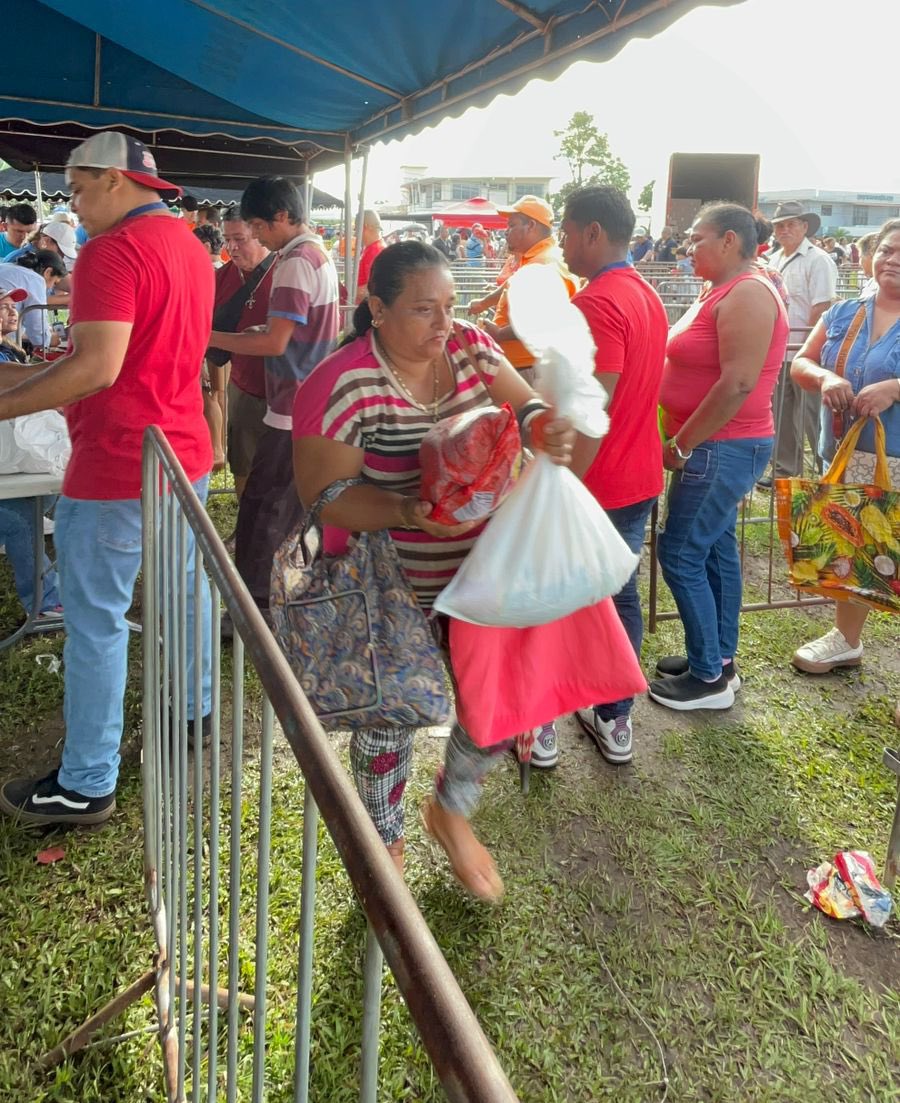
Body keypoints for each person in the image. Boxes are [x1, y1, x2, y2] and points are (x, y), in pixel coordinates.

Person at [290, 240, 584, 899]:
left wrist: (543, 423)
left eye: (450, 306)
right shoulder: (341, 384)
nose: (444, 324)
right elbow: (324, 497)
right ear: (378, 308)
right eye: (424, 310)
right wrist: (403, 507)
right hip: (389, 584)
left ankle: (450, 811)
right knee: (388, 722)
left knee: (500, 700)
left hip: (484, 573)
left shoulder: (470, 345)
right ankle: (385, 838)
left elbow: (523, 403)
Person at [0, 131, 214, 826]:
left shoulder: (110, 252)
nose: (74, 203)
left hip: (117, 462)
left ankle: (87, 778)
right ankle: (196, 708)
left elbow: (97, 367)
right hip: (183, 452)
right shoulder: (187, 245)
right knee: (184, 593)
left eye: (79, 188)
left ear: (115, 180)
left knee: (95, 621)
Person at [649, 203, 789, 711]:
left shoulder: (748, 292)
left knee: (682, 553)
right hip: (718, 444)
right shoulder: (724, 289)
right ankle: (717, 659)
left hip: (721, 444)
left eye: (696, 238)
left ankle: (708, 676)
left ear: (730, 240)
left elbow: (738, 384)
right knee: (713, 549)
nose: (689, 248)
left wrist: (684, 442)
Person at [559, 185, 668, 762]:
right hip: (637, 476)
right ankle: (615, 717)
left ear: (593, 233)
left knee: (564, 600)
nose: (563, 242)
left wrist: (562, 486)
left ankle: (544, 725)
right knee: (618, 596)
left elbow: (590, 408)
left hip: (598, 483)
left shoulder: (597, 303)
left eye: (567, 230)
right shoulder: (645, 294)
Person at [209, 176, 339, 615]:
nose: (257, 237)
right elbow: (286, 332)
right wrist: (258, 332)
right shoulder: (315, 254)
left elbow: (276, 343)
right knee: (280, 508)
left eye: (260, 227)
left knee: (263, 511)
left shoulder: (296, 261)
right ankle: (280, 594)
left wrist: (209, 336)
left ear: (282, 217)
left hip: (291, 405)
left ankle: (256, 608)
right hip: (304, 399)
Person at [788, 218, 900, 674]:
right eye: (887, 250)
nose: (892, 261)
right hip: (846, 450)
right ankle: (846, 639)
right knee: (854, 544)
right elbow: (802, 362)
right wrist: (826, 377)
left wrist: (896, 386)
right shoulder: (844, 313)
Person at [0, 282, 63, 620]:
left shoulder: (10, 349)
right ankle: (45, 605)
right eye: (3, 306)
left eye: (13, 306)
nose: (12, 311)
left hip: (11, 468)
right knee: (20, 518)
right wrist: (76, 369)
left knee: (49, 497)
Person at [764, 200, 836, 484]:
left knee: (813, 416)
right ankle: (785, 471)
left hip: (805, 353)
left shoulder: (818, 259)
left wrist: (807, 350)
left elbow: (821, 308)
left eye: (791, 223)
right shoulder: (774, 259)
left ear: (805, 227)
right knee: (781, 414)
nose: (784, 229)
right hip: (780, 350)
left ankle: (825, 474)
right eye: (780, 225)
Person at [468, 196, 577, 381]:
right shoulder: (533, 259)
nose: (506, 232)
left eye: (512, 226)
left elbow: (545, 318)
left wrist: (500, 334)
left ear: (531, 226)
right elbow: (509, 285)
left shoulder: (543, 264)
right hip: (522, 365)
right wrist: (484, 303)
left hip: (529, 369)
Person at [211, 209, 275, 500]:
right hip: (244, 386)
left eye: (240, 239)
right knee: (244, 466)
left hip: (287, 389)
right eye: (227, 240)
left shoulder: (290, 270)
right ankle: (246, 528)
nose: (232, 247)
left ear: (260, 235)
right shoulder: (219, 278)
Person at [355, 209, 386, 302]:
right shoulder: (372, 248)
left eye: (356, 229)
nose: (356, 234)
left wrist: (352, 290)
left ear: (365, 227)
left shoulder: (375, 251)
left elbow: (373, 288)